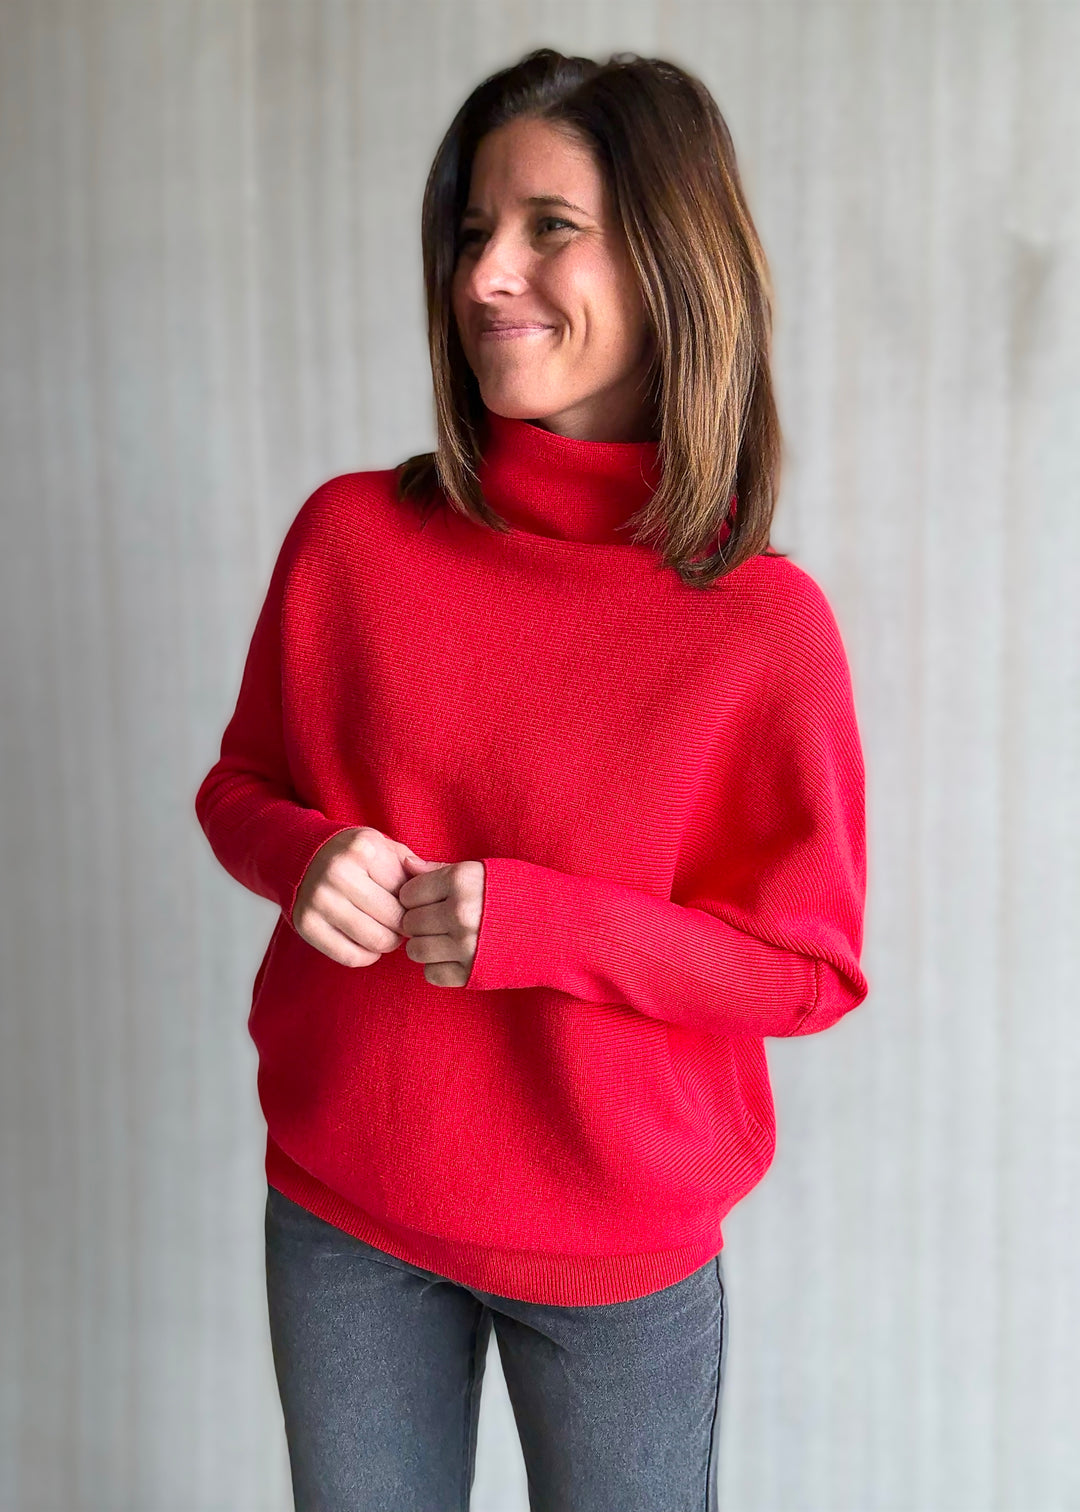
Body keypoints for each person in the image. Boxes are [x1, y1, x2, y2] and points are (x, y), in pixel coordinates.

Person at [194, 46, 869, 1512]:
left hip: (617, 1253)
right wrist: (300, 855)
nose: (489, 273)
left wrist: (543, 926)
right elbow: (238, 787)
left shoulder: (759, 626)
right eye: (469, 232)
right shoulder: (351, 540)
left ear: (673, 258)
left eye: (548, 227)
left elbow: (805, 971)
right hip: (342, 1213)